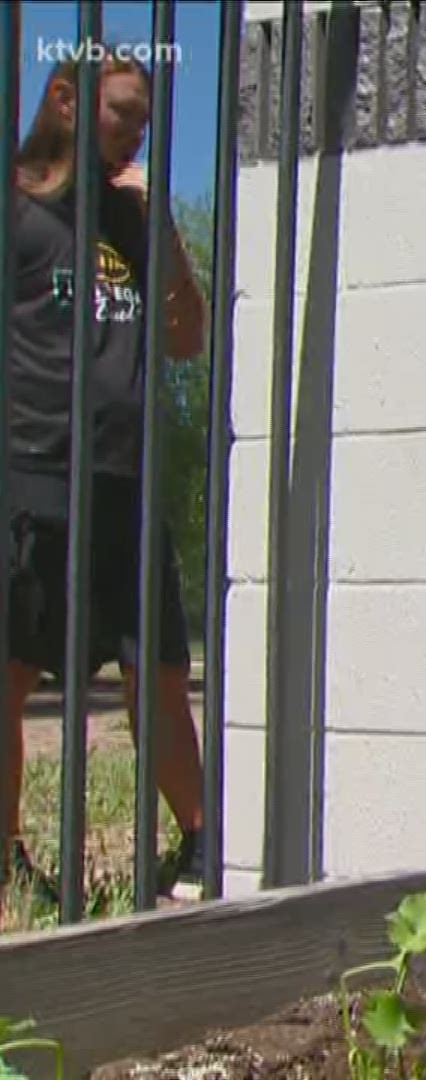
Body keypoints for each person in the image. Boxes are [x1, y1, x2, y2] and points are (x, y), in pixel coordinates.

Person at [3, 55, 210, 912]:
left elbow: (187, 338)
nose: (137, 132)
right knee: (8, 679)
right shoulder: (17, 205)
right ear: (65, 99)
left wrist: (162, 237)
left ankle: (202, 845)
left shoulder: (132, 217)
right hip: (32, 475)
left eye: (145, 121)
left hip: (124, 486)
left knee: (156, 678)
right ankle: (9, 864)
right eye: (122, 114)